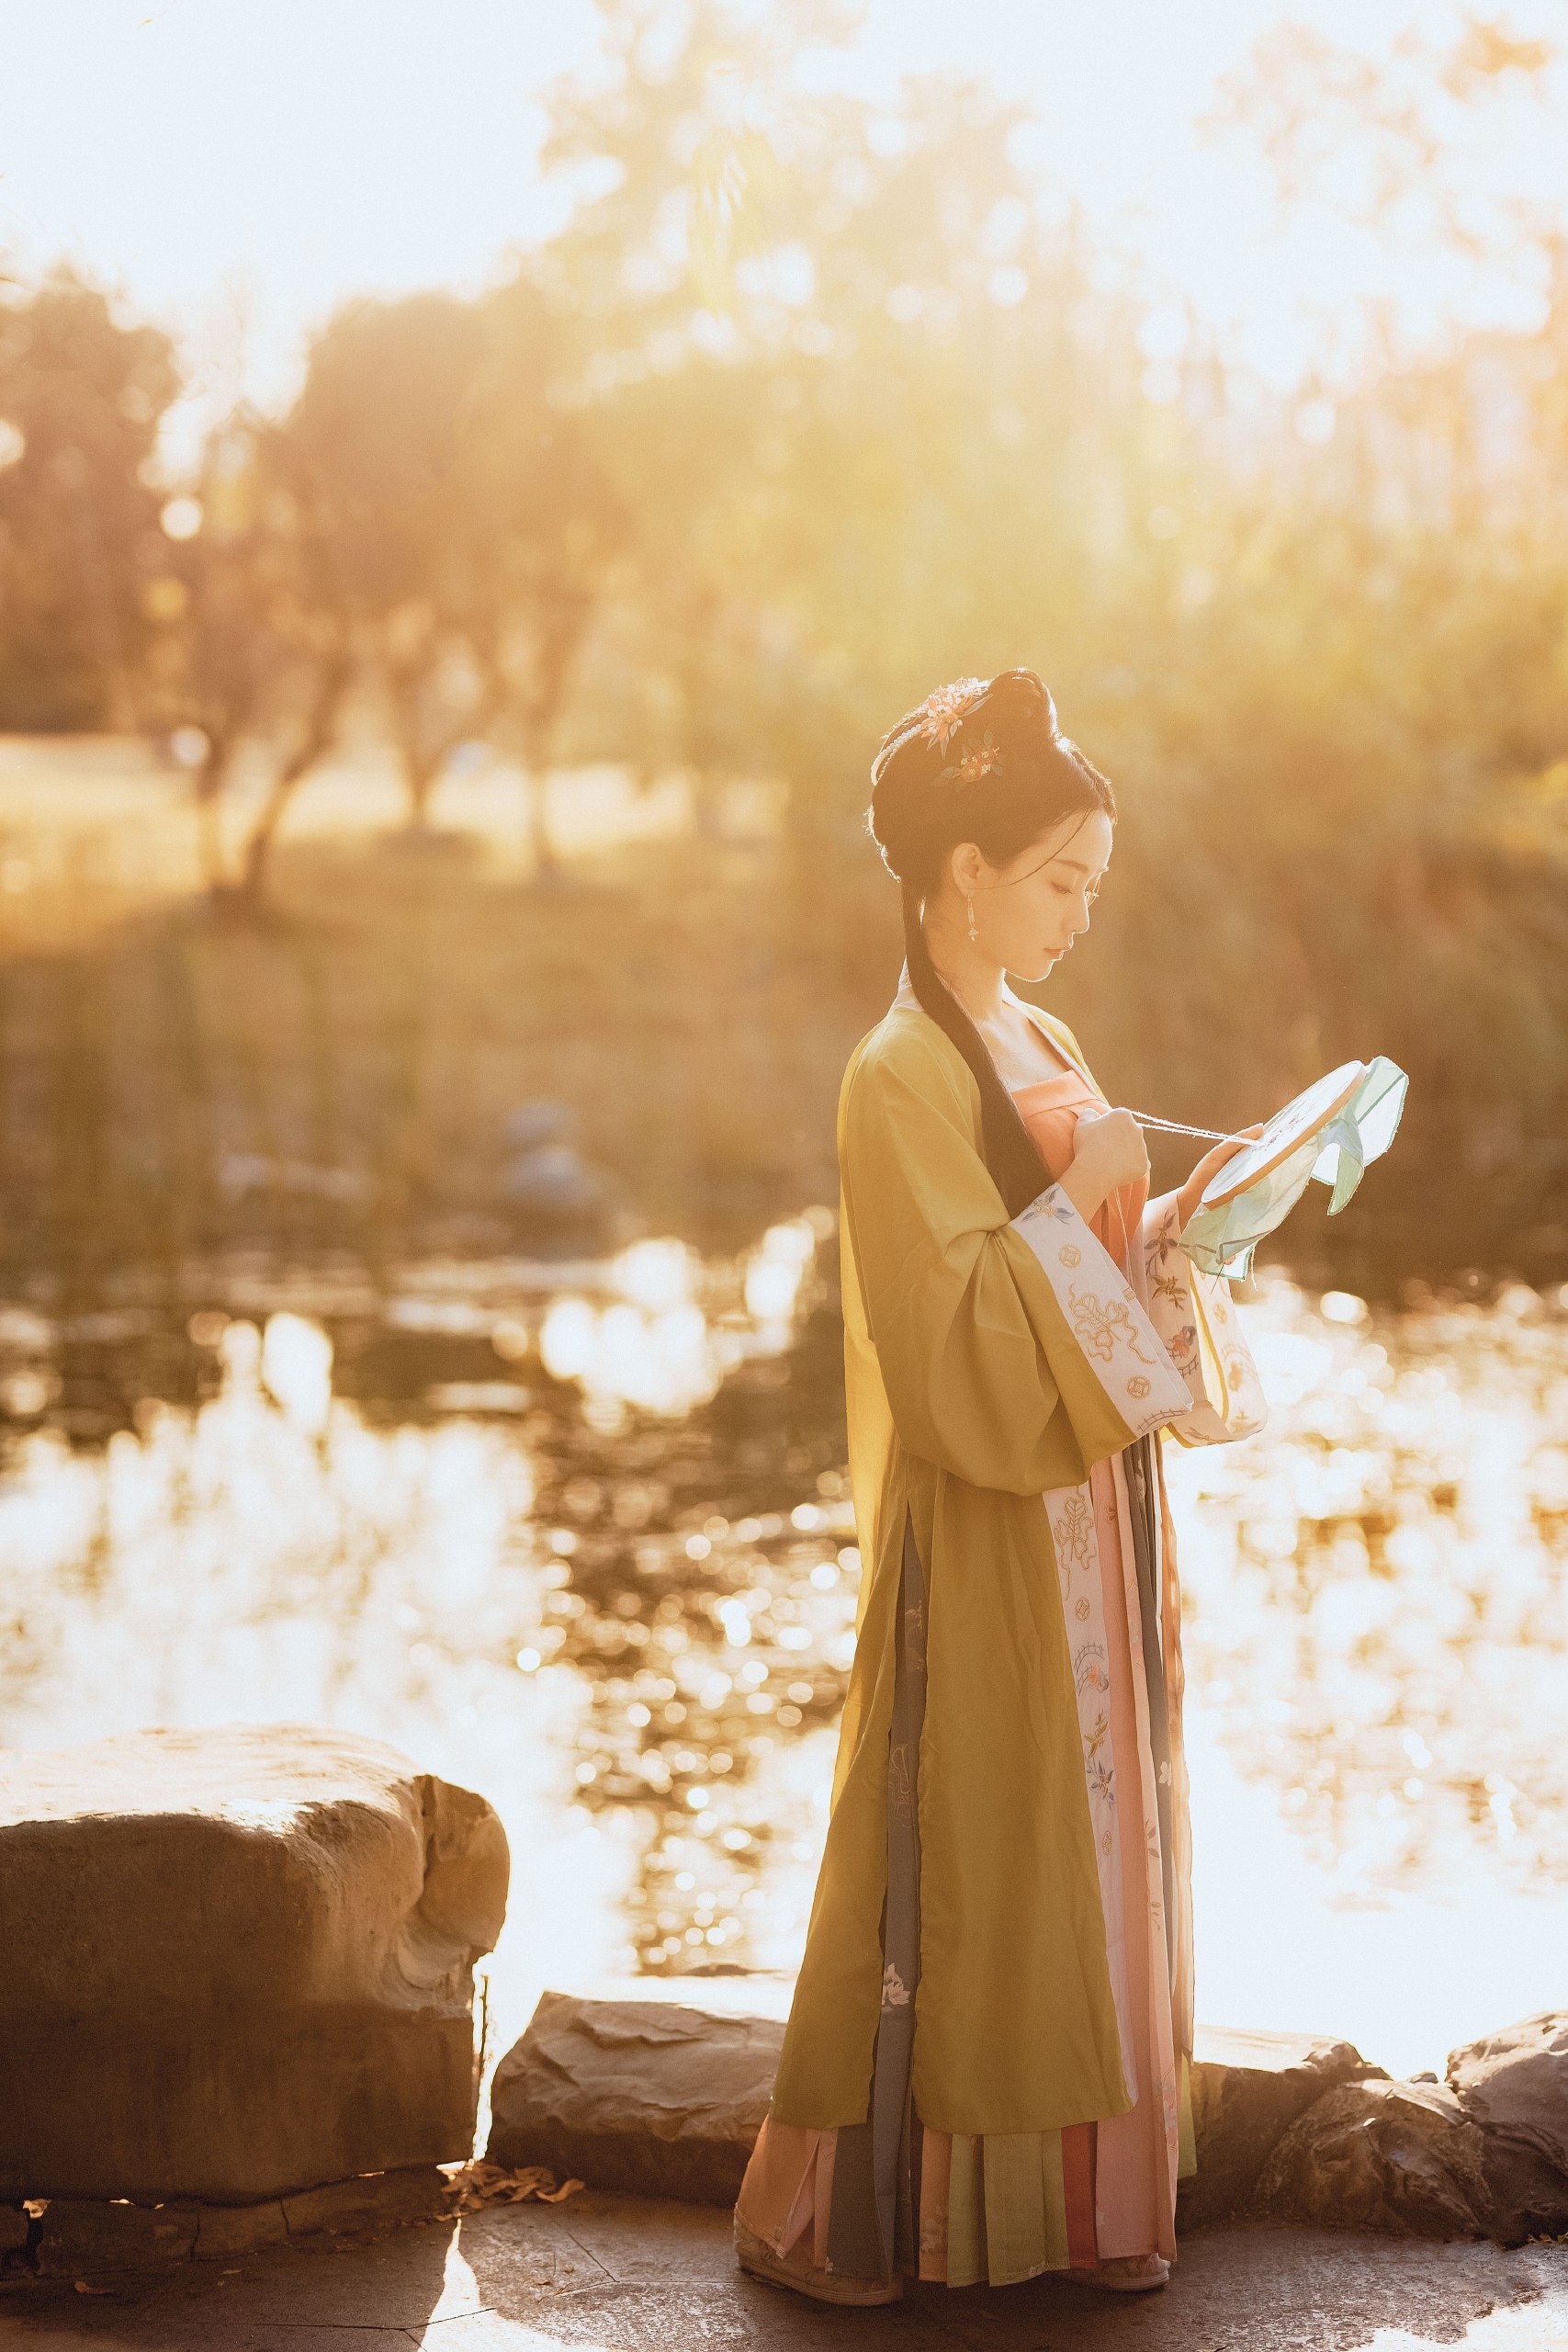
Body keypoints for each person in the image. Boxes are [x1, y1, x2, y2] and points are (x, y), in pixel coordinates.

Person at [732, 669, 1270, 2303]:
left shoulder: (1040, 1035)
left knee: (1099, 1835)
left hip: (1091, 1504)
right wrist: (1088, 1196)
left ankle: (1096, 2210)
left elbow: (1086, 1259)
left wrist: (1182, 1221)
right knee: (976, 1844)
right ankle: (901, 2221)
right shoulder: (896, 1072)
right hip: (987, 1517)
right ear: (961, 873)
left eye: (1095, 888)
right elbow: (950, 1321)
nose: (1079, 917)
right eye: (1059, 882)